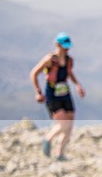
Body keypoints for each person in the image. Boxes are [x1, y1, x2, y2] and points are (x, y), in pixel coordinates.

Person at [29, 32, 85, 160]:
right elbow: (34, 74)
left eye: (67, 46)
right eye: (63, 46)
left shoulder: (69, 60)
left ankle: (60, 153)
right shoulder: (50, 60)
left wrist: (78, 85)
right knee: (63, 124)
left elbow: (70, 74)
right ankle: (48, 139)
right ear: (57, 45)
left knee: (69, 125)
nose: (66, 48)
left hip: (65, 93)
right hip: (52, 94)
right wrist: (38, 92)